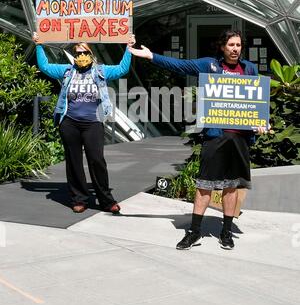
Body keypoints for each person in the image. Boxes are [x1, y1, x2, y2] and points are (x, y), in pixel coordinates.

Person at [129, 29, 268, 250]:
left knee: (231, 187)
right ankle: (194, 232)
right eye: (231, 45)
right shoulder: (209, 65)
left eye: (238, 45)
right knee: (204, 186)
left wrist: (261, 122)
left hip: (239, 139)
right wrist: (151, 56)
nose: (235, 49)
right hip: (215, 137)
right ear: (223, 47)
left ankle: (226, 232)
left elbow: (256, 103)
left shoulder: (249, 69)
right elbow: (181, 66)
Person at [33, 32, 135, 214]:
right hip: (69, 123)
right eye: (77, 52)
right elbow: (45, 66)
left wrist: (128, 48)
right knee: (74, 161)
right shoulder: (67, 71)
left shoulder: (100, 71)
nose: (81, 56)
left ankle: (106, 200)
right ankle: (78, 199)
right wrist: (39, 45)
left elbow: (121, 69)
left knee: (97, 160)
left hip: (93, 123)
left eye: (84, 52)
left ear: (91, 54)